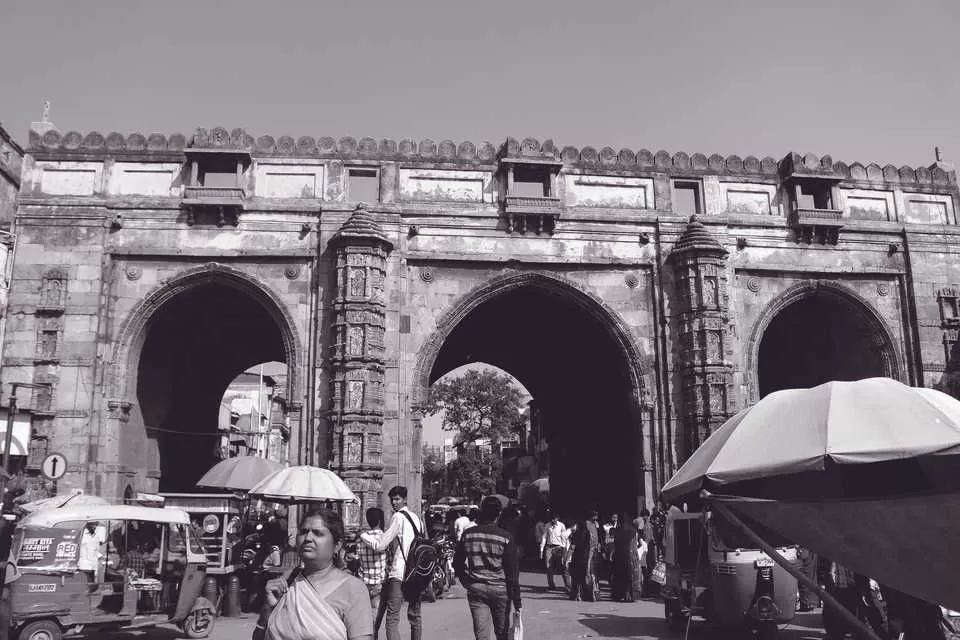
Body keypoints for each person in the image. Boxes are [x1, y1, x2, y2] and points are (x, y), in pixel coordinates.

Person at [255, 509, 372, 640]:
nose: (308, 538)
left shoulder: (353, 589)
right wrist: (267, 610)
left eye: (318, 533)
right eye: (303, 532)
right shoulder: (287, 581)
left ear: (337, 545)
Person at [360, 486, 425, 640]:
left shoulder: (398, 517)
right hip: (416, 573)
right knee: (415, 616)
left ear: (404, 499)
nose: (394, 503)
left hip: (400, 571)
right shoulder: (417, 519)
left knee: (392, 619)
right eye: (392, 500)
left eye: (397, 499)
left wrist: (362, 535)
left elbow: (380, 545)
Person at [454, 496, 522, 640]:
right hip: (500, 590)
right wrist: (517, 601)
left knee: (481, 635)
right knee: (502, 634)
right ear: (498, 515)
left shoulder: (468, 535)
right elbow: (512, 574)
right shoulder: (506, 537)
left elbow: (457, 563)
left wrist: (466, 580)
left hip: (476, 589)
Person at [357, 508, 389, 639]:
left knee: (364, 621)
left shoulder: (362, 540)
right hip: (379, 585)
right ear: (380, 520)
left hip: (363, 583)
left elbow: (358, 558)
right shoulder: (385, 538)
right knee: (375, 623)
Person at [569, 511, 600, 602]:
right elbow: (590, 544)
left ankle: (577, 595)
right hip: (587, 555)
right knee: (588, 574)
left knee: (578, 576)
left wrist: (568, 557)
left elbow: (572, 545)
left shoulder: (577, 533)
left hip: (578, 556)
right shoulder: (588, 531)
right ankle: (590, 594)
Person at [610, 513, 641, 602]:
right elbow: (634, 544)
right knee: (630, 576)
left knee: (619, 575)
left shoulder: (618, 530)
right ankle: (630, 595)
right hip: (630, 556)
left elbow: (615, 543)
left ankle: (619, 594)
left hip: (619, 556)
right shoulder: (633, 530)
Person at [538, 512, 569, 592]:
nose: (553, 520)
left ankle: (568, 586)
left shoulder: (561, 525)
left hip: (559, 548)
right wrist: (541, 550)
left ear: (557, 519)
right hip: (549, 547)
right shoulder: (547, 525)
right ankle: (551, 585)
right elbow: (544, 537)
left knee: (562, 567)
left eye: (554, 519)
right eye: (552, 519)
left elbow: (565, 537)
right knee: (549, 567)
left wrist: (564, 548)